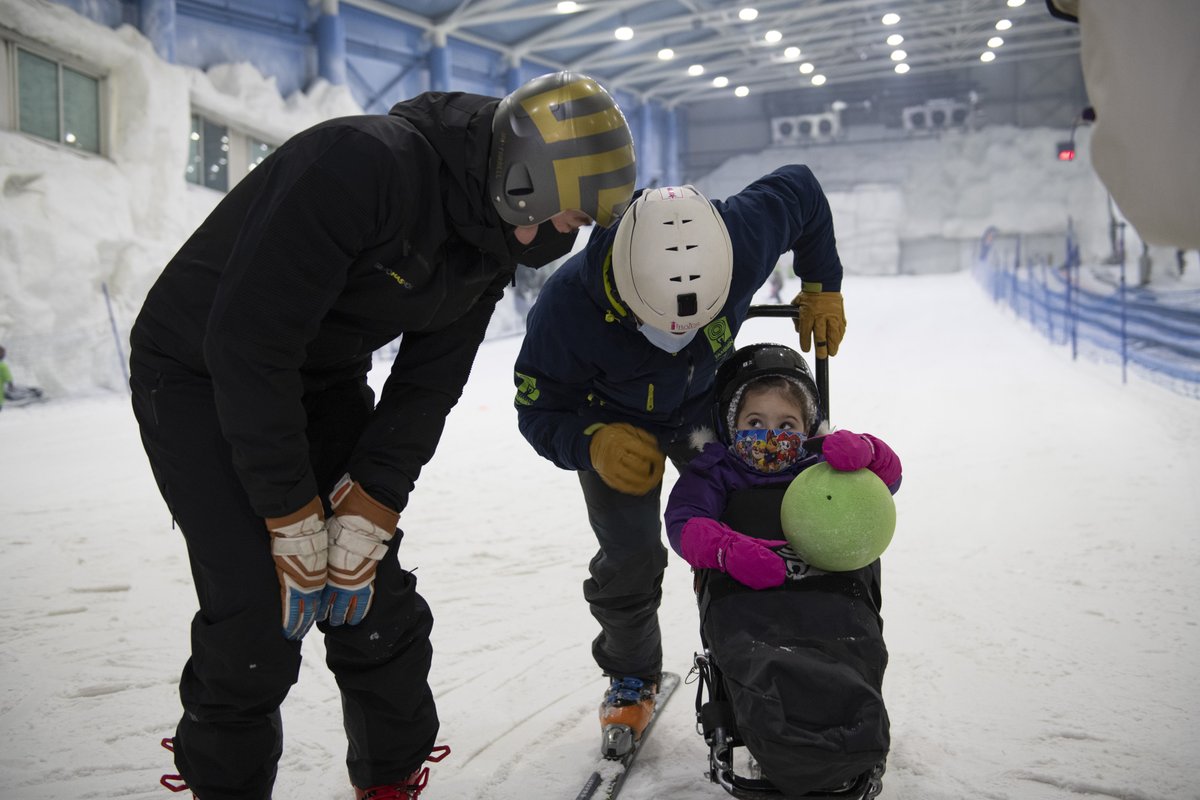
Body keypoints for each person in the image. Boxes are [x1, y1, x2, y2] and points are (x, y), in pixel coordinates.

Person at [128, 71, 635, 800]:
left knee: (367, 588)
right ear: (527, 179)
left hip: (318, 376)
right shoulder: (361, 165)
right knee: (258, 608)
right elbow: (247, 345)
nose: (563, 237)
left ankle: (390, 779)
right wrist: (290, 511)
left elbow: (427, 387)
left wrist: (374, 502)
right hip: (198, 371)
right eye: (568, 216)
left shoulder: (490, 239)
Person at [511, 167, 848, 755]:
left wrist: (823, 282)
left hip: (702, 407)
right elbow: (537, 409)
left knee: (753, 523)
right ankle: (631, 674)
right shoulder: (566, 308)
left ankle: (767, 653)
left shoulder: (741, 238)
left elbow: (801, 189)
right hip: (614, 426)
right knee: (630, 556)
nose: (677, 337)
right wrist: (592, 443)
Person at [665, 343, 901, 798]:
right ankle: (783, 733)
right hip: (749, 600)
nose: (770, 435)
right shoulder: (717, 470)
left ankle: (850, 724)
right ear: (731, 424)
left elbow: (887, 481)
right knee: (762, 658)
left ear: (807, 428)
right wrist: (727, 550)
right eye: (754, 422)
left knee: (848, 646)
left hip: (827, 594)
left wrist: (867, 452)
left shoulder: (822, 463)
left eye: (787, 425)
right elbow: (684, 523)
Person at [0, 344, 44, 410]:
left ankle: (34, 392)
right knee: (12, 394)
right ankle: (35, 394)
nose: (4, 355)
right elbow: (8, 378)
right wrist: (11, 386)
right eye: (3, 353)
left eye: (4, 353)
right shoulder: (3, 366)